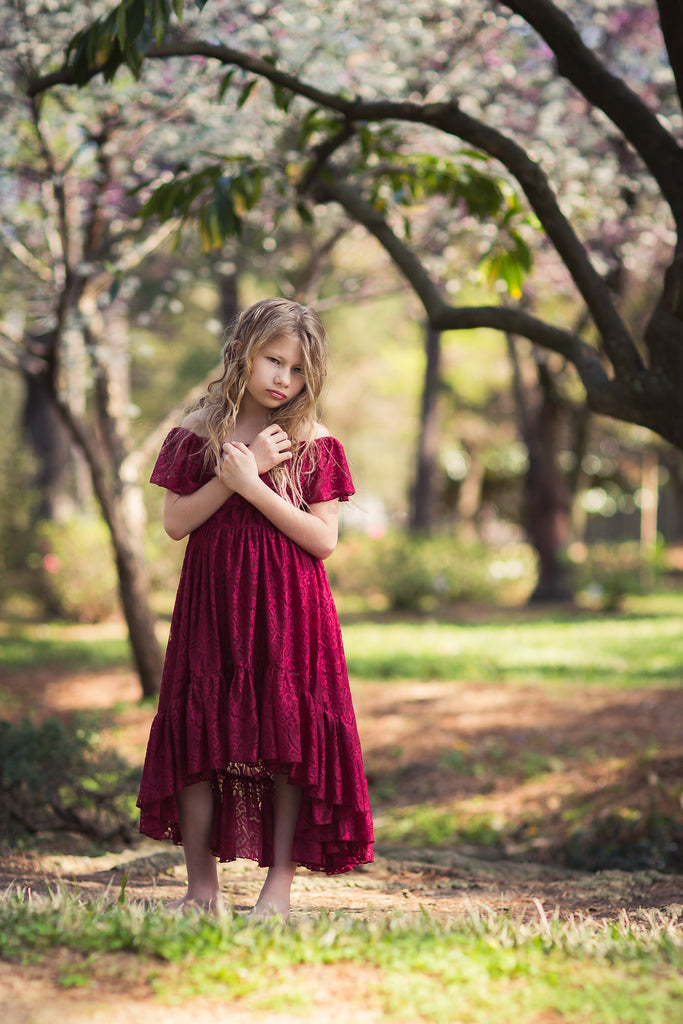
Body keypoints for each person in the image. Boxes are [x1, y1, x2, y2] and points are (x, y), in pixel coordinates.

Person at [137, 297, 374, 918]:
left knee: (289, 735)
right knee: (199, 732)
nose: (282, 380)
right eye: (274, 360)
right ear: (243, 351)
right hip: (214, 604)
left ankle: (277, 889)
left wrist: (255, 485)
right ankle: (202, 890)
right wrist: (231, 477)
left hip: (291, 605)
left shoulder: (313, 441)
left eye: (297, 371)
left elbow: (322, 540)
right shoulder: (197, 431)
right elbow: (175, 524)